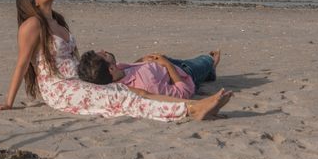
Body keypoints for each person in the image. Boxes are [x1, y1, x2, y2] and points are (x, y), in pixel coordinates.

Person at [0, 0, 231, 121]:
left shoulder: (57, 20)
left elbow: (74, 59)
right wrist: (8, 102)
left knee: (134, 90)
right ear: (32, 2)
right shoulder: (32, 25)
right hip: (60, 87)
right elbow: (21, 63)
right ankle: (189, 110)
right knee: (120, 97)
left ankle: (190, 104)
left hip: (80, 79)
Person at [77, 49, 222, 99]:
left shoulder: (116, 72)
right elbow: (184, 92)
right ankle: (211, 67)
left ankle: (208, 73)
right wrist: (166, 64)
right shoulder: (148, 86)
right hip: (185, 73)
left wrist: (142, 60)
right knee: (206, 59)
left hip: (165, 64)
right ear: (110, 69)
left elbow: (131, 71)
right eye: (103, 55)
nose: (104, 50)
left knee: (200, 64)